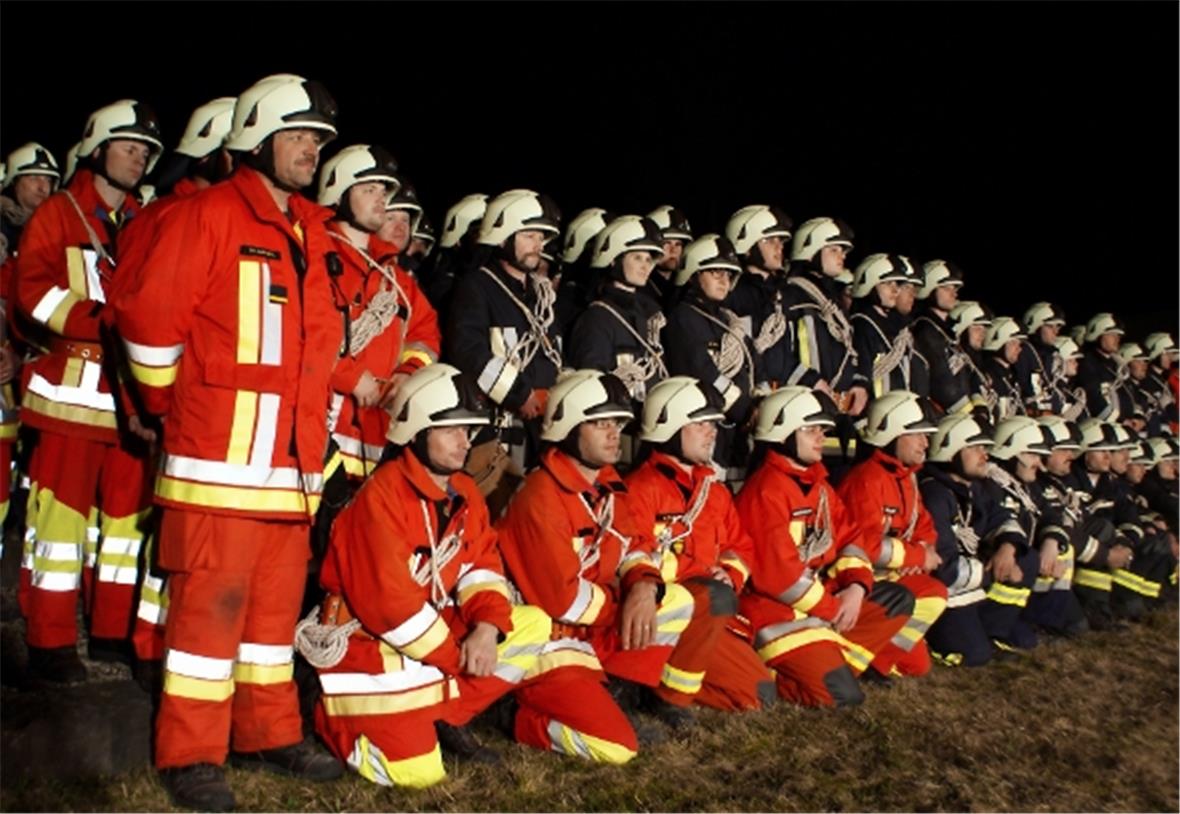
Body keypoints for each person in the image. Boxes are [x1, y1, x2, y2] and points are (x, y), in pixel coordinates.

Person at [114, 74, 345, 811]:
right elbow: (149, 327)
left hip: (290, 474)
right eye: (298, 136)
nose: (311, 150)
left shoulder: (311, 231)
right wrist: (174, 407)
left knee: (271, 625)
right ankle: (190, 756)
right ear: (256, 138)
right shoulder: (207, 216)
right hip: (216, 467)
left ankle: (268, 733)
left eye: (318, 139)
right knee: (207, 623)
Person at [303, 364, 637, 788]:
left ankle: (440, 714)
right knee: (417, 773)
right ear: (416, 431)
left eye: (469, 430)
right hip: (371, 642)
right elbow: (391, 607)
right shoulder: (382, 497)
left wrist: (486, 626)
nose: (466, 441)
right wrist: (454, 661)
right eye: (451, 430)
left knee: (526, 622)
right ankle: (323, 709)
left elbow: (483, 570)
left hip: (431, 636)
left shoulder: (463, 491)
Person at [15, 99, 163, 682]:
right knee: (60, 525)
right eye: (129, 147)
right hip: (69, 396)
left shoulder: (144, 218)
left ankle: (109, 633)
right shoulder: (58, 213)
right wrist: (99, 319)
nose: (140, 158)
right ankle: (48, 641)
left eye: (146, 151)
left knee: (125, 527)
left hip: (130, 397)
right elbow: (32, 294)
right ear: (98, 148)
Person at [495, 370, 702, 736]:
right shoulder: (541, 497)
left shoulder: (606, 486)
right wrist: (624, 603)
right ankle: (516, 715)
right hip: (550, 635)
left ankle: (616, 692)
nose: (614, 433)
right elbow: (561, 601)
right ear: (569, 428)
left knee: (676, 601)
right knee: (614, 742)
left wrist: (643, 587)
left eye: (617, 423)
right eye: (600, 423)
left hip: (590, 625)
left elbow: (635, 548)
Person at [113, 95, 237, 682]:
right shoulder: (169, 215)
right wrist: (143, 404)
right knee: (171, 539)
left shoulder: (215, 214)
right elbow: (130, 316)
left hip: (210, 409)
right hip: (177, 407)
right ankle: (151, 644)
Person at [736, 386, 915, 706]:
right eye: (811, 429)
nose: (821, 437)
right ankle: (780, 676)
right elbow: (781, 577)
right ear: (781, 430)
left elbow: (851, 539)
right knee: (842, 696)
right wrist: (835, 609)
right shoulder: (765, 491)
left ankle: (831, 657)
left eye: (823, 429)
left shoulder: (818, 486)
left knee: (897, 599)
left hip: (823, 605)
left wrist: (857, 588)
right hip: (778, 616)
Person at [624, 376, 775, 712]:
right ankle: (666, 697)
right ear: (669, 425)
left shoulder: (715, 493)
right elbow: (634, 558)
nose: (713, 432)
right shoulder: (640, 489)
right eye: (701, 423)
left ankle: (660, 681)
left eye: (713, 423)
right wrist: (708, 578)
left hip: (707, 615)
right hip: (664, 614)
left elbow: (740, 547)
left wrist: (731, 576)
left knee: (760, 694)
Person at [446, 189, 562, 475]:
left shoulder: (541, 296)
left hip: (541, 432)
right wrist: (519, 394)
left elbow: (555, 355)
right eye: (528, 236)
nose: (537, 245)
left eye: (540, 237)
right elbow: (468, 352)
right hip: (496, 431)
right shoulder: (476, 287)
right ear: (502, 236)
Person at [837, 391, 948, 678]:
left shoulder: (907, 477)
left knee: (918, 666)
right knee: (933, 594)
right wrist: (917, 555)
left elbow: (924, 526)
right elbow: (863, 546)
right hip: (862, 583)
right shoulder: (866, 481)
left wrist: (923, 550)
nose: (926, 443)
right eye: (918, 434)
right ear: (892, 432)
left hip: (892, 577)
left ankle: (877, 657)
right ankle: (865, 661)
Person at [919, 414, 1041, 665]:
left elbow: (1002, 518)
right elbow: (943, 568)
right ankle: (937, 641)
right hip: (945, 592)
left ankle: (991, 631)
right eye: (975, 447)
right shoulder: (935, 495)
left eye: (984, 447)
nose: (984, 455)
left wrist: (1007, 549)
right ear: (949, 448)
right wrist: (995, 573)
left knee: (1026, 557)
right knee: (974, 656)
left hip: (970, 584)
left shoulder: (974, 489)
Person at [662, 234, 756, 483]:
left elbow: (752, 366)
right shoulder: (684, 318)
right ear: (694, 274)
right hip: (706, 430)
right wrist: (745, 411)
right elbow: (701, 370)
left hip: (736, 435)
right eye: (716, 273)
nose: (724, 281)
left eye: (728, 275)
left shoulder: (729, 321)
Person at [986, 416, 1088, 638]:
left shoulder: (1025, 485)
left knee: (1062, 548)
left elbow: (1051, 515)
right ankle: (999, 627)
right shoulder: (993, 485)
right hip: (997, 571)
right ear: (1011, 452)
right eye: (1033, 454)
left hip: (1025, 571)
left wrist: (1051, 543)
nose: (1039, 463)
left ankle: (1046, 620)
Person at [784, 216, 867, 465]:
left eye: (842, 250)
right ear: (810, 251)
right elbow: (777, 354)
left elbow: (850, 349)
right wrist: (810, 380)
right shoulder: (791, 295)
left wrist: (859, 383)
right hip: (808, 414)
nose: (841, 255)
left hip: (842, 416)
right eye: (834, 249)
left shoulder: (834, 302)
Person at [567, 215, 668, 402]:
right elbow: (592, 384)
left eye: (648, 259)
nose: (645, 266)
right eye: (637, 257)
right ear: (613, 259)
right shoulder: (596, 318)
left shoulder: (649, 315)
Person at [723, 204, 794, 390]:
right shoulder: (733, 293)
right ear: (746, 244)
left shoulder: (780, 293)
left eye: (780, 240)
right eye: (770, 240)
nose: (779, 247)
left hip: (782, 392)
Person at [849, 253, 923, 398]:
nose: (895, 290)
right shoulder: (862, 324)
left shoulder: (900, 329)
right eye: (888, 283)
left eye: (897, 284)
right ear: (869, 283)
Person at [912, 259, 971, 414]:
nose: (954, 293)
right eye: (946, 288)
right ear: (929, 289)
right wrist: (966, 411)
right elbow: (941, 379)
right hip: (942, 413)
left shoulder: (948, 331)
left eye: (955, 288)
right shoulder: (926, 329)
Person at [1014, 301, 1067, 415]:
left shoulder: (1053, 355)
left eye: (1058, 326)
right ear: (1035, 326)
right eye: (1049, 326)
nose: (1055, 331)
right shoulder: (1024, 352)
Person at [1075, 312, 1126, 422]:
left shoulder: (1114, 364)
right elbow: (1094, 397)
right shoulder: (1087, 363)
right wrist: (1121, 420)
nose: (1117, 339)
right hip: (1099, 424)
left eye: (1118, 335)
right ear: (1097, 334)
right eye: (1112, 334)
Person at [980, 316, 1027, 420]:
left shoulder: (1014, 375)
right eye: (1014, 342)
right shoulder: (986, 375)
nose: (1019, 349)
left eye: (1020, 344)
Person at [645, 204, 692, 307]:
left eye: (678, 244)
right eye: (667, 244)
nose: (673, 250)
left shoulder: (687, 288)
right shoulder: (641, 286)